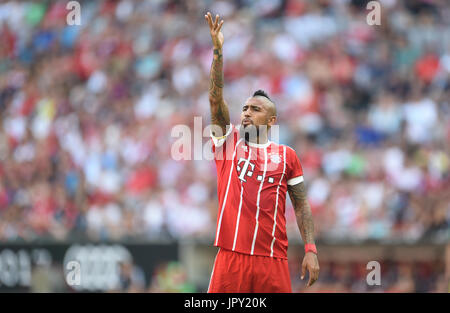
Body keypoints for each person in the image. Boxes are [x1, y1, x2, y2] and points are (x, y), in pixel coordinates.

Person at [204, 12, 319, 293]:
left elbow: (301, 204)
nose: (246, 113)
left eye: (255, 109)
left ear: (271, 120)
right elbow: (215, 98)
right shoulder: (228, 143)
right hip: (231, 257)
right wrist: (218, 51)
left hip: (273, 260)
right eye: (244, 108)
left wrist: (311, 248)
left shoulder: (287, 156)